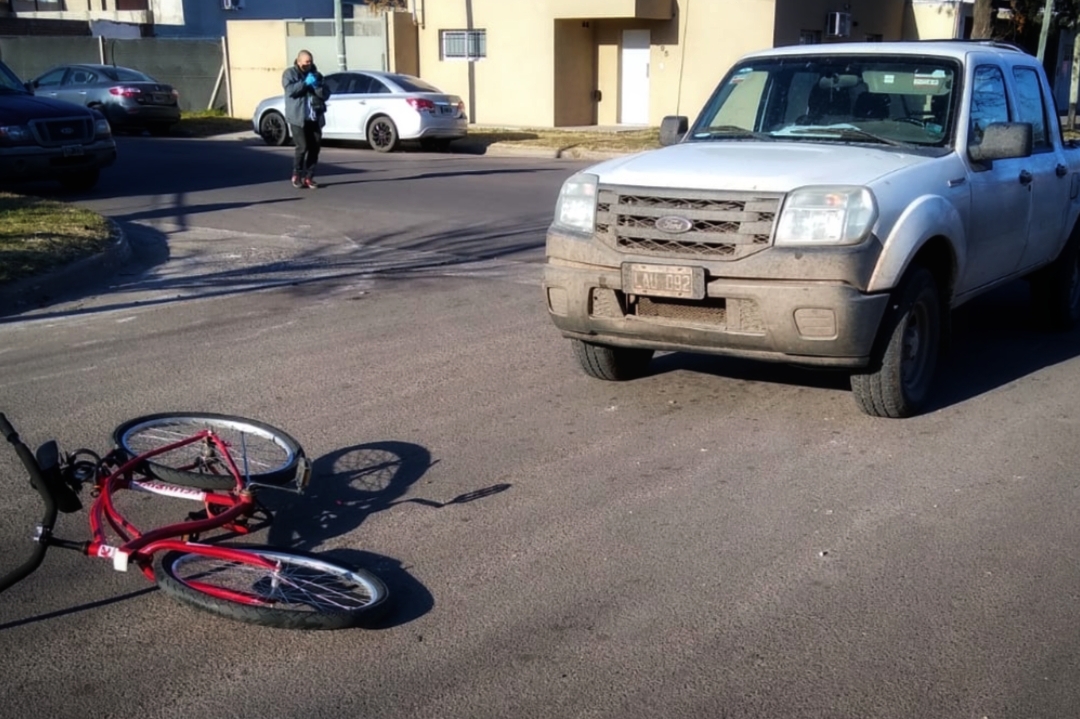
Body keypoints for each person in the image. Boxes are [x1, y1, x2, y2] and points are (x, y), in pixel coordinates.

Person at [282, 50, 331, 189]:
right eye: (306, 62)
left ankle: (309, 177)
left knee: (315, 147)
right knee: (302, 147)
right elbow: (291, 91)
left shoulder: (317, 75)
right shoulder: (289, 74)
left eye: (310, 61)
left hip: (314, 117)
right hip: (298, 118)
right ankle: (296, 175)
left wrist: (316, 86)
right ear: (299, 61)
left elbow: (326, 94)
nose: (309, 64)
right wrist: (305, 83)